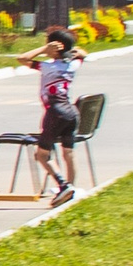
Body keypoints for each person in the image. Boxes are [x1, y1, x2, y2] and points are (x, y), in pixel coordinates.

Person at [21, 27, 85, 205]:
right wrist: (70, 51)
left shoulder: (47, 67)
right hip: (71, 112)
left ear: (55, 48)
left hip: (55, 112)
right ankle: (71, 189)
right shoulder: (73, 64)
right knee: (68, 153)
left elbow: (22, 58)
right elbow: (82, 54)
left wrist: (43, 49)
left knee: (42, 155)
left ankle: (63, 185)